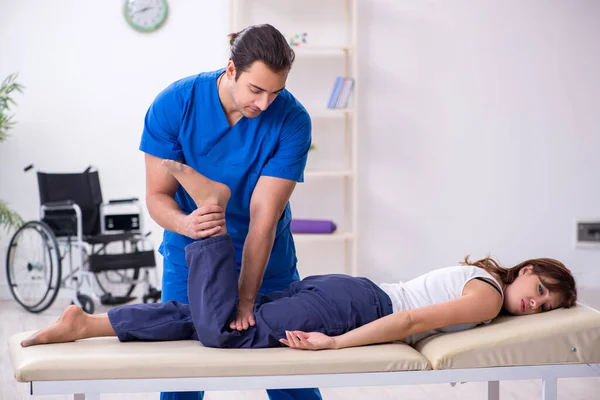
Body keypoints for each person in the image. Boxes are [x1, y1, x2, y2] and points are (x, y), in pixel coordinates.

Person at [22, 161, 578, 353]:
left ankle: (87, 322)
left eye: (549, 306)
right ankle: (212, 216)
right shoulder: (484, 297)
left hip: (348, 290)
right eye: (542, 289)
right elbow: (409, 320)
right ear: (525, 270)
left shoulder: (479, 276)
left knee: (212, 317)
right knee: (229, 333)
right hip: (355, 307)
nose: (538, 304)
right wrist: (336, 343)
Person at [140, 23, 320, 400]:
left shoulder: (292, 120)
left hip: (267, 263)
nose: (265, 104)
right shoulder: (176, 104)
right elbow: (158, 196)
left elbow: (264, 218)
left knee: (291, 375)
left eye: (277, 92)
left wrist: (246, 299)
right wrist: (185, 224)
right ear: (231, 70)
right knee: (181, 376)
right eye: (256, 90)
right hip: (192, 257)